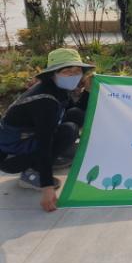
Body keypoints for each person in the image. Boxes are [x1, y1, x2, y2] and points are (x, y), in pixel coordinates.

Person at [0, 49, 94, 212]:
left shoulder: (56, 88)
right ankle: (32, 173)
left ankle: (48, 160)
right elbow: (44, 143)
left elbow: (74, 110)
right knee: (69, 130)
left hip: (28, 141)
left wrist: (87, 91)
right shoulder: (45, 101)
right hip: (11, 158)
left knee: (76, 114)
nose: (74, 75)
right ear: (53, 73)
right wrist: (47, 187)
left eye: (77, 70)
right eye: (67, 71)